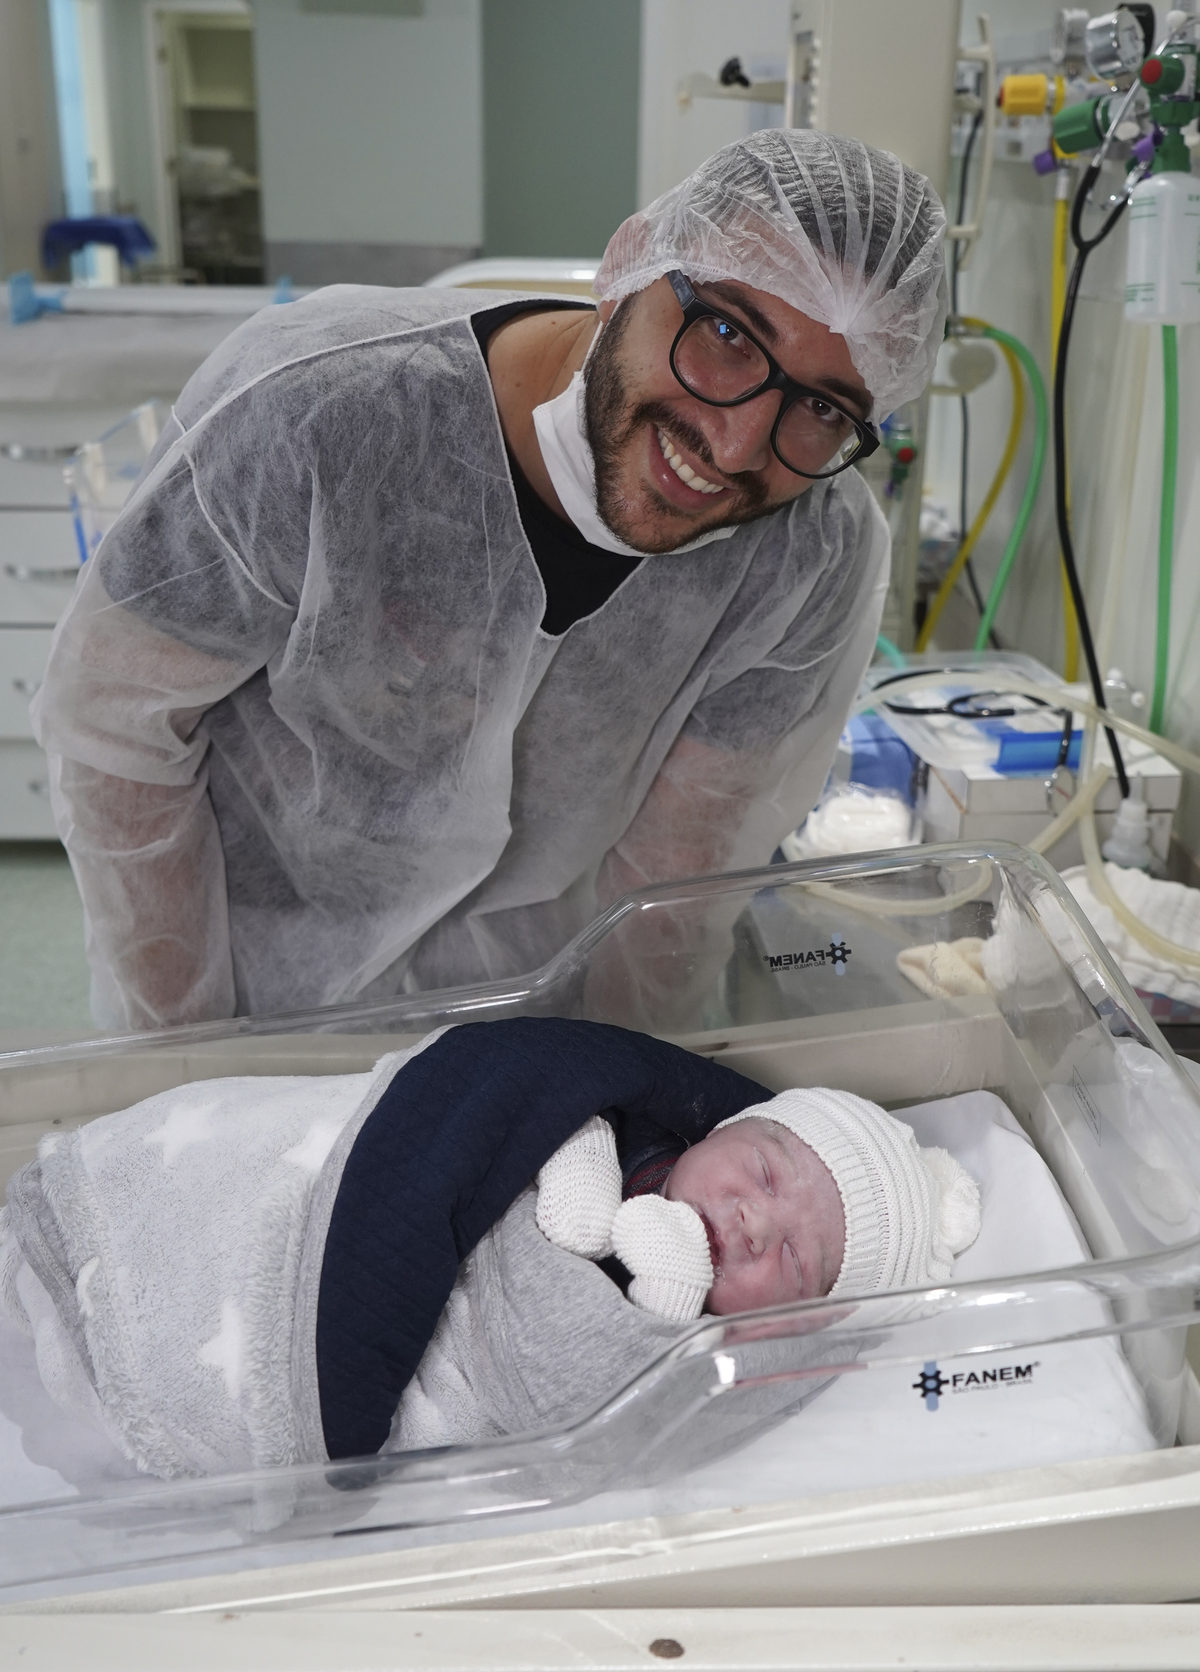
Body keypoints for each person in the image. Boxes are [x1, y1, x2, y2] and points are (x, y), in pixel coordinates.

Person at [32, 130, 947, 1030]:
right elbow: (116, 736)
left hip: (536, 1023)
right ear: (629, 265)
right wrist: (188, 1057)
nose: (738, 444)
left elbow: (677, 880)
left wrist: (608, 1079)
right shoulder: (317, 413)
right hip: (256, 1007)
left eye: (822, 406)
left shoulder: (808, 557)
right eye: (726, 334)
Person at [0, 1017, 979, 1479]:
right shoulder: (635, 1138)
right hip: (303, 1196)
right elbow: (508, 1099)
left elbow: (560, 1387)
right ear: (722, 1125)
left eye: (795, 1260)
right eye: (763, 1170)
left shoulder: (687, 1350)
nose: (756, 1220)